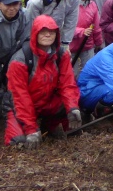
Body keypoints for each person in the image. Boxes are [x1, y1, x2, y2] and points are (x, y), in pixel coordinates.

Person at [5, 15, 82, 148]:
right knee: (18, 143)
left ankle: (49, 126)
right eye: (43, 31)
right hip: (20, 106)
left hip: (47, 101)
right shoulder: (20, 60)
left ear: (56, 34)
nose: (48, 34)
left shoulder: (61, 55)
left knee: (71, 115)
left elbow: (68, 84)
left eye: (51, 31)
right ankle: (30, 126)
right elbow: (20, 97)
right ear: (35, 33)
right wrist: (30, 128)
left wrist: (72, 107)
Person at [70, 0, 103, 75]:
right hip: (70, 45)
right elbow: (64, 27)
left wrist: (99, 43)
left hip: (87, 44)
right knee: (72, 73)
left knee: (89, 72)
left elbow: (97, 27)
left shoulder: (92, 5)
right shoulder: (69, 5)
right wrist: (81, 32)